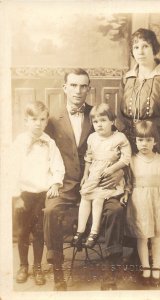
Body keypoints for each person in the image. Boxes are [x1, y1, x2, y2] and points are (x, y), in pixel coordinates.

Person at [44, 68, 125, 291]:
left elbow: (120, 146)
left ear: (89, 88)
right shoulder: (52, 119)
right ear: (65, 88)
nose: (78, 91)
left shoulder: (99, 115)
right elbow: (45, 155)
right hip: (67, 185)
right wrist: (52, 181)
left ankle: (109, 270)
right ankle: (58, 272)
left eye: (83, 86)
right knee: (51, 210)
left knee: (115, 210)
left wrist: (119, 172)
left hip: (100, 183)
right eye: (73, 85)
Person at [120, 27, 160, 246]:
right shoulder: (128, 77)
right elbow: (121, 113)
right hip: (134, 141)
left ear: (154, 48)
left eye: (145, 46)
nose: (141, 51)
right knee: (137, 190)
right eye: (136, 47)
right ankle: (137, 244)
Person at [11, 101, 65, 286]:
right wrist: (16, 196)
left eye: (42, 119)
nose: (38, 123)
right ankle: (23, 266)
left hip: (42, 194)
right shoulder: (19, 143)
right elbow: (11, 169)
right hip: (24, 194)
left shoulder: (50, 143)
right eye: (33, 119)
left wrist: (56, 183)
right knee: (23, 232)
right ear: (26, 121)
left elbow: (58, 166)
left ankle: (37, 267)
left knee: (40, 232)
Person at [72, 103, 131, 249]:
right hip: (94, 174)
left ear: (112, 121)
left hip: (108, 177)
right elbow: (88, 157)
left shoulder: (119, 138)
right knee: (85, 196)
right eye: (96, 121)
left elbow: (126, 159)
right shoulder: (92, 138)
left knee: (98, 199)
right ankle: (80, 230)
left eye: (103, 120)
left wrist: (112, 169)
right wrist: (85, 174)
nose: (99, 125)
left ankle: (94, 232)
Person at [126, 120, 160, 287]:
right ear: (135, 141)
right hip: (140, 202)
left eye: (148, 140)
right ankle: (145, 268)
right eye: (140, 140)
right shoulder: (132, 160)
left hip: (158, 203)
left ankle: (156, 268)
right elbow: (128, 183)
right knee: (142, 236)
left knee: (156, 237)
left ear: (155, 141)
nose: (144, 144)